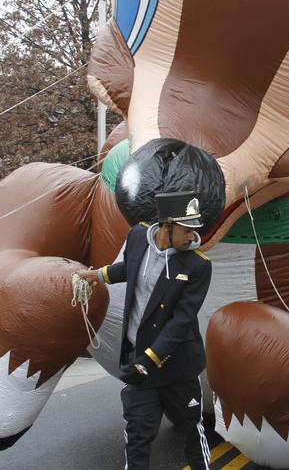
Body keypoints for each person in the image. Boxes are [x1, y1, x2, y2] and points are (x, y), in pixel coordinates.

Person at [77, 190, 213, 470]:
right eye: (187, 230)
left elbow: (182, 321)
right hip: (140, 363)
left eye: (195, 229)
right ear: (167, 225)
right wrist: (97, 276)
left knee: (191, 433)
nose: (193, 236)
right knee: (137, 437)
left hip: (178, 367)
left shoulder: (198, 265)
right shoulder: (137, 237)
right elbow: (130, 267)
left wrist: (149, 359)